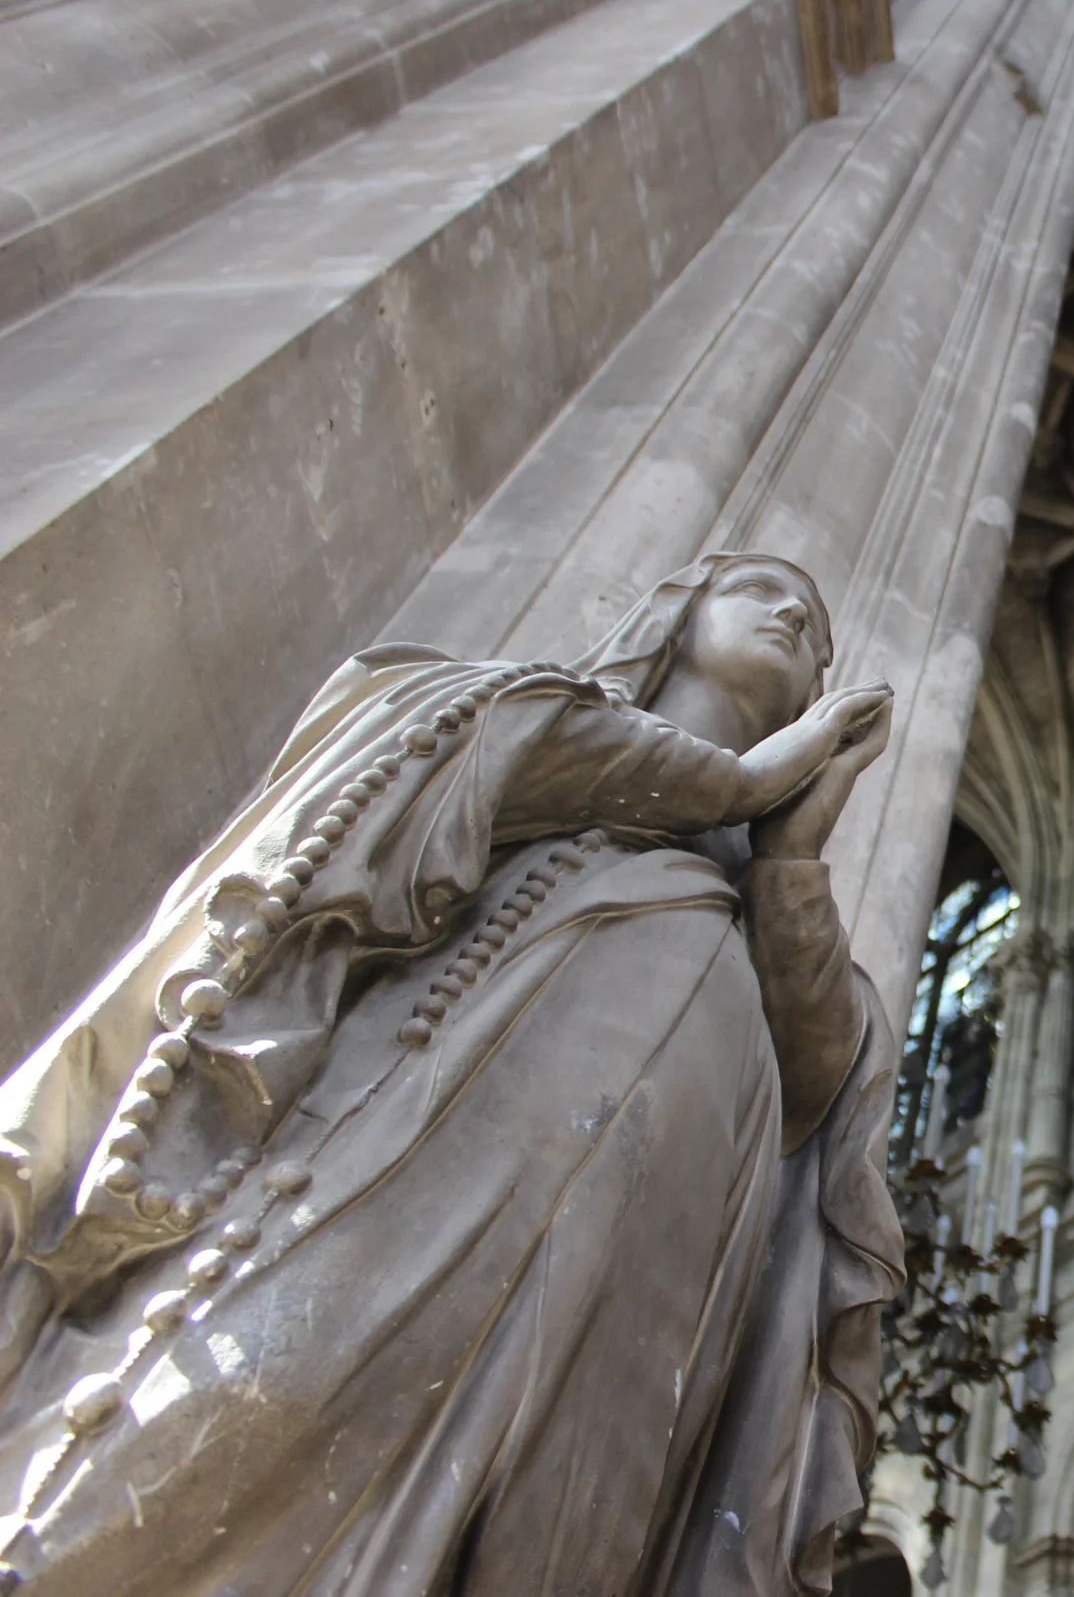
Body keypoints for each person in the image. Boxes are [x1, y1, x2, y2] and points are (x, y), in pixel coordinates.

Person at [0, 552, 903, 1595]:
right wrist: (734, 781)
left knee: (571, 1527)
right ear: (678, 608)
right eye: (759, 585)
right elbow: (470, 753)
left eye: (821, 637)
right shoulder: (505, 712)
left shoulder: (772, 911)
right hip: (429, 1144)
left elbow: (818, 1082)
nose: (795, 612)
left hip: (655, 1265)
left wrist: (789, 856)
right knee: (257, 1405)